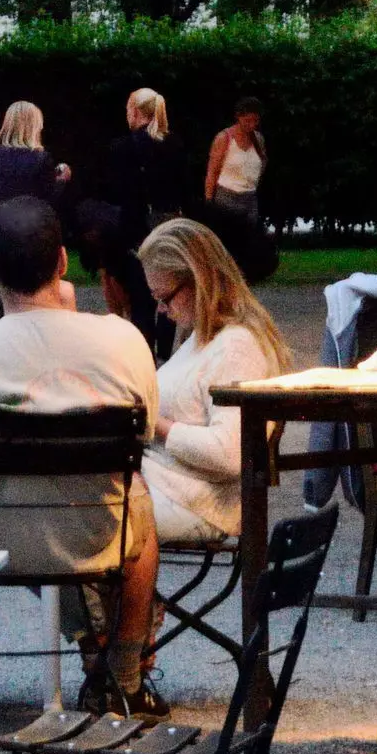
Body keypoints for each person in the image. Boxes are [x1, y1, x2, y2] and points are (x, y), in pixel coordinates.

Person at [0, 198, 165, 716]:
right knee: (140, 506)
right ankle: (125, 676)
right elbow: (145, 438)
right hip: (97, 538)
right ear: (63, 262)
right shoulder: (125, 341)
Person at [136, 218, 292, 542]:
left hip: (195, 502)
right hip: (166, 488)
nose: (162, 310)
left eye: (165, 297)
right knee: (56, 511)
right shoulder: (203, 337)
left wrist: (154, 424)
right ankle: (122, 595)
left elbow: (231, 453)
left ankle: (127, 596)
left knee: (71, 523)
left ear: (198, 281)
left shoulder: (237, 345)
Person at [93, 89, 188, 355]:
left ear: (135, 111)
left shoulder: (122, 148)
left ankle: (144, 355)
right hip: (169, 228)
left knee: (140, 298)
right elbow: (183, 189)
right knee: (169, 293)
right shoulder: (175, 144)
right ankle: (165, 355)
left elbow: (115, 192)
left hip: (136, 230)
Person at [0, 100, 68, 210]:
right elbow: (49, 198)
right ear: (33, 126)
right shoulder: (41, 157)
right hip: (29, 223)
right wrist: (62, 179)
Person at [205, 97, 267, 228]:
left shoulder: (259, 140)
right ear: (238, 117)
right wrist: (209, 201)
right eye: (247, 121)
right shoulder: (224, 138)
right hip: (227, 198)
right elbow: (212, 172)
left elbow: (263, 162)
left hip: (250, 198)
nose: (252, 125)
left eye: (255, 121)